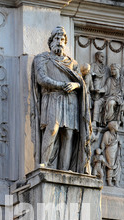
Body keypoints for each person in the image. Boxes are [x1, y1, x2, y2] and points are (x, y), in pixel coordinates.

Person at [30, 26, 92, 173]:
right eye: (57, 39)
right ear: (51, 41)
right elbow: (41, 78)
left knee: (69, 134)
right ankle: (44, 163)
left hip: (70, 100)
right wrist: (60, 85)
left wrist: (75, 84)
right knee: (52, 129)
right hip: (52, 98)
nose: (59, 42)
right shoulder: (42, 58)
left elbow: (81, 83)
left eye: (62, 39)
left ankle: (65, 169)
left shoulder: (73, 63)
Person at [101, 121, 121, 187]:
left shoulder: (117, 135)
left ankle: (114, 180)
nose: (118, 127)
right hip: (109, 150)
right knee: (110, 165)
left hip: (115, 151)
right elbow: (104, 143)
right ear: (113, 127)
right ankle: (109, 181)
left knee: (116, 164)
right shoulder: (107, 133)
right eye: (117, 125)